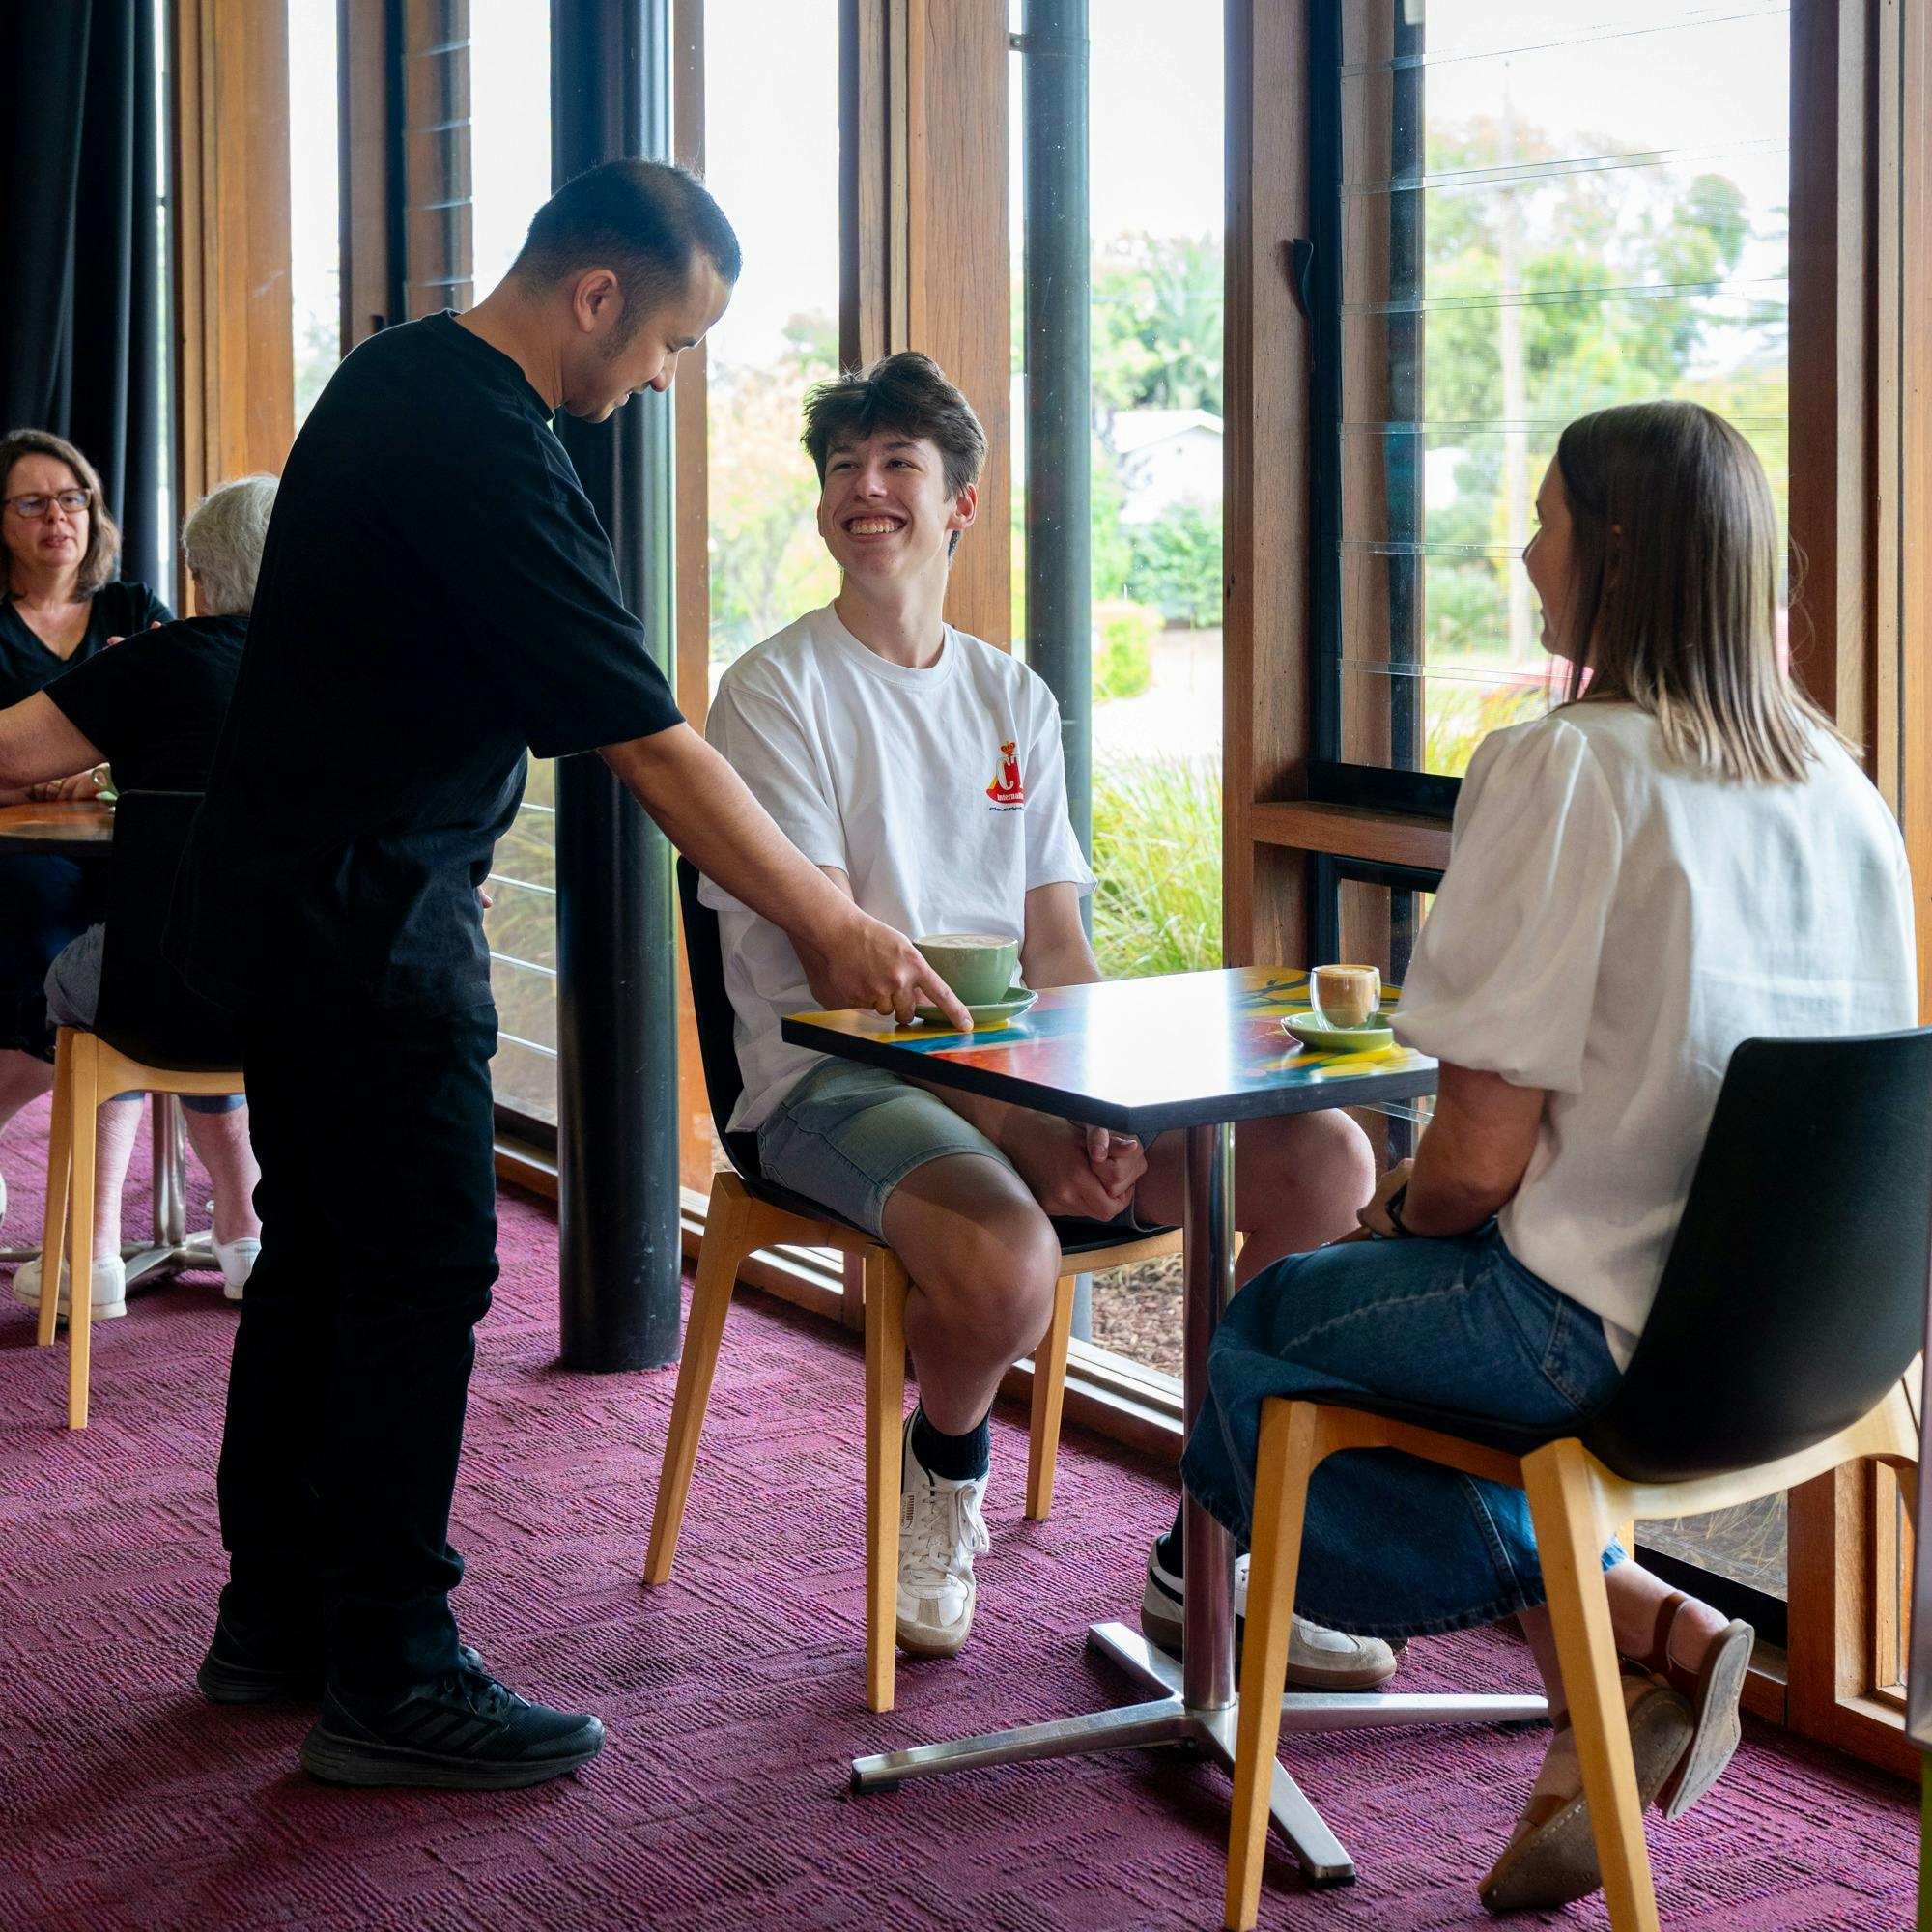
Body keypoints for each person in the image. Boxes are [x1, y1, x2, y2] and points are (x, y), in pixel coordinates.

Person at [165, 160, 971, 1795]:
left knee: (324, 1261)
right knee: (416, 1277)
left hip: (290, 901)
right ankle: (391, 1664)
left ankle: (280, 1622)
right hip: (372, 916)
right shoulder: (481, 430)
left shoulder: (396, 382)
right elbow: (640, 732)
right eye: (673, 342)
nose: (661, 380)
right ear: (599, 295)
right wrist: (825, 922)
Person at [1178, 399, 1918, 1914]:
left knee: (1257, 1340)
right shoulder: (1847, 792)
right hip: (1836, 1355)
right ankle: (1619, 1654)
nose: (1526, 554)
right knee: (1425, 1364)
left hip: (1599, 1346)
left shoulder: (1564, 766)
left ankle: (1630, 1625)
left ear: (1620, 551)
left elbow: (1476, 1163)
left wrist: (1391, 1210)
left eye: (1548, 522)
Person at [702, 352, 1384, 1684]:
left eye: (899, 465)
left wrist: (1106, 1098)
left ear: (960, 504)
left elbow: (1058, 943)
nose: (866, 490)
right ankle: (944, 1465)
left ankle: (1213, 1538)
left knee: (1330, 1159)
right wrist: (1023, 1114)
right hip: (822, 1086)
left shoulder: (1013, 698)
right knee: (1011, 1259)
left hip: (1020, 1079)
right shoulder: (776, 690)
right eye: (845, 469)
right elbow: (843, 972)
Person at [0, 474, 278, 1323]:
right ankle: (246, 1239)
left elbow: (9, 756)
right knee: (212, 963)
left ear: (199, 575)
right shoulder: (360, 668)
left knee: (113, 983)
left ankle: (88, 1260)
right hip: (312, 989)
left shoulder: (159, 660)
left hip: (164, 977)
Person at [0, 429, 173, 1220]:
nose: (56, 519)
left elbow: (188, 720)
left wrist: (99, 770)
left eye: (72, 500)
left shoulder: (134, 609)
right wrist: (42, 776)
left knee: (179, 919)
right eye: (33, 503)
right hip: (19, 849)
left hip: (130, 839)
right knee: (42, 925)